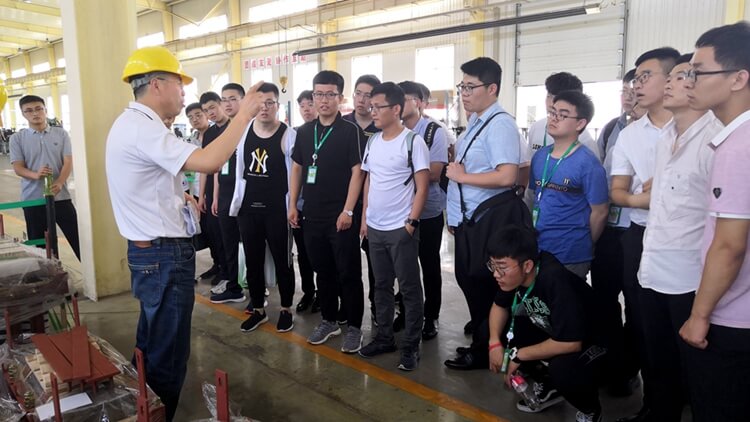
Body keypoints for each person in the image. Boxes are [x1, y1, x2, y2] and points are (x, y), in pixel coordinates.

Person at [105, 45, 262, 420]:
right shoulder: (143, 128)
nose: (184, 93)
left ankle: (141, 410)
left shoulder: (133, 124)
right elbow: (210, 160)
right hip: (163, 257)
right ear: (157, 84)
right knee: (168, 356)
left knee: (150, 343)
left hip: (150, 252)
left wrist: (181, 197)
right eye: (180, 84)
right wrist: (242, 115)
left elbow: (151, 180)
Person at [636, 53, 723, 422]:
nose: (670, 83)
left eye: (680, 76)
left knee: (697, 368)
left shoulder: (715, 139)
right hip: (653, 268)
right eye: (668, 77)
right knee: (657, 359)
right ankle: (657, 413)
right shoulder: (665, 136)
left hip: (690, 278)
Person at [679, 21, 750, 422]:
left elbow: (729, 245)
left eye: (698, 72)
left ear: (739, 78)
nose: (689, 82)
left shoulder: (738, 147)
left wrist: (699, 316)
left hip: (734, 318)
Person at [610, 46, 680, 422]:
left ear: (671, 78)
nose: (636, 84)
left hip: (684, 238)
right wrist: (645, 198)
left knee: (683, 323)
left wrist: (663, 188)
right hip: (640, 236)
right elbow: (618, 193)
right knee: (643, 323)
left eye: (645, 76)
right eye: (635, 78)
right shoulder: (630, 135)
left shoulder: (697, 126)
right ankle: (655, 405)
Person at [444, 57, 521, 371]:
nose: (464, 93)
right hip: (469, 220)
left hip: (488, 220)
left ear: (492, 88)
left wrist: (462, 176)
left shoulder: (500, 125)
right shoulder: (477, 122)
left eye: (470, 87)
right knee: (470, 280)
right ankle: (483, 341)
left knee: (483, 284)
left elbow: (507, 176)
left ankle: (486, 348)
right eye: (461, 86)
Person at [486, 226, 606, 422]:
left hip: (595, 342)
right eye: (492, 265)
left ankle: (591, 410)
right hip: (555, 330)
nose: (496, 274)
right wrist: (494, 343)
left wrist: (517, 355)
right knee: (494, 332)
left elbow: (571, 343)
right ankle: (551, 385)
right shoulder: (514, 277)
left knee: (563, 370)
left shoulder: (555, 280)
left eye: (502, 267)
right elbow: (499, 306)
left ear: (527, 265)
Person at [288, 70, 366, 353]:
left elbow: (358, 172)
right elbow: (298, 168)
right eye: (318, 94)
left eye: (329, 94)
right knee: (323, 271)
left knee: (348, 272)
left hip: (340, 216)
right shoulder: (304, 132)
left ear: (340, 97)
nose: (323, 100)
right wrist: (293, 204)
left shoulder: (351, 131)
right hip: (312, 215)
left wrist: (348, 211)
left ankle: (354, 327)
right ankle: (329, 320)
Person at [358, 82, 430, 370]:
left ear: (396, 109)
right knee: (381, 286)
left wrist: (411, 223)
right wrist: (364, 218)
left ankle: (411, 345)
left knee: (410, 289)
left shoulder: (413, 142)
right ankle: (384, 338)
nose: (372, 111)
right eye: (371, 107)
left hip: (401, 229)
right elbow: (369, 181)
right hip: (375, 228)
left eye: (378, 107)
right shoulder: (373, 142)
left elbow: (422, 187)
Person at [590, 68, 642, 396]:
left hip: (638, 229)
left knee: (637, 305)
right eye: (625, 90)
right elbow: (600, 175)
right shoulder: (612, 128)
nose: (629, 96)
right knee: (604, 300)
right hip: (609, 228)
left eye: (636, 88)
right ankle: (611, 361)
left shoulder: (662, 132)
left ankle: (629, 368)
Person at [229, 83, 297, 333]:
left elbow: (296, 174)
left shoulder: (289, 135)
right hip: (249, 209)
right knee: (253, 261)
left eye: (270, 103)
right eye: (260, 103)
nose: (265, 108)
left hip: (278, 210)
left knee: (283, 261)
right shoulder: (244, 131)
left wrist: (293, 206)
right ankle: (258, 309)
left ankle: (286, 309)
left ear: (278, 106)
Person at [529, 90, 609, 279]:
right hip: (537, 247)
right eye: (552, 112)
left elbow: (600, 212)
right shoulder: (540, 156)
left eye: (563, 115)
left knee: (565, 298)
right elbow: (532, 196)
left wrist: (584, 242)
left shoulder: (588, 163)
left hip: (570, 253)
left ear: (580, 123)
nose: (554, 118)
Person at [398, 80, 449, 340]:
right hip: (400, 212)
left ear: (417, 103)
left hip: (428, 212)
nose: (397, 105)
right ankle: (407, 313)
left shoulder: (433, 132)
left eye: (403, 99)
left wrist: (398, 173)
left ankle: (431, 316)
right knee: (404, 268)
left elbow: (436, 172)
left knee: (429, 265)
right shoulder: (393, 131)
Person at [10, 95, 81, 261]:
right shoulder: (17, 139)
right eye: (29, 111)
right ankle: (50, 275)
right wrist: (36, 175)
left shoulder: (61, 134)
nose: (35, 113)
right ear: (23, 114)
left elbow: (68, 161)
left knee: (78, 239)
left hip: (60, 197)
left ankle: (92, 274)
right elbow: (18, 167)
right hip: (33, 199)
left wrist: (60, 182)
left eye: (38, 109)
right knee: (42, 248)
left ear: (45, 110)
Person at [522, 72, 599, 208]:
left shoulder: (585, 142)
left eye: (558, 97)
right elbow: (530, 170)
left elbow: (596, 199)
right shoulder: (537, 127)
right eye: (549, 96)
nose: (551, 103)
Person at [210, 84, 249, 305]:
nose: (227, 103)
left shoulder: (251, 128)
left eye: (233, 98)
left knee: (250, 244)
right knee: (229, 243)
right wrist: (216, 197)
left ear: (243, 101)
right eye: (224, 99)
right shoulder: (223, 132)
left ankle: (256, 287)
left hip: (245, 196)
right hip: (225, 195)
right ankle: (234, 287)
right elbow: (218, 164)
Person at [197, 91, 229, 285]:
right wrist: (201, 196)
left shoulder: (231, 129)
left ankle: (227, 271)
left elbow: (221, 164)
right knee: (212, 230)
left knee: (224, 232)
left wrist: (216, 197)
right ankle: (217, 264)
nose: (210, 113)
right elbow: (204, 165)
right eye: (206, 110)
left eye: (212, 108)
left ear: (221, 104)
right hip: (211, 186)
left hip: (226, 186)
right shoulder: (209, 133)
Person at [293, 89, 319, 313]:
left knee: (322, 255)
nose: (306, 109)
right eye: (302, 106)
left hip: (321, 207)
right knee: (303, 253)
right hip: (300, 206)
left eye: (310, 104)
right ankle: (308, 291)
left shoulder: (328, 132)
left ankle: (325, 293)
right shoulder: (297, 133)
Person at [183, 103, 209, 196]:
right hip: (196, 190)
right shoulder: (190, 141)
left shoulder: (216, 135)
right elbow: (189, 171)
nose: (194, 119)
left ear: (206, 114)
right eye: (190, 117)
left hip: (213, 189)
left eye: (198, 115)